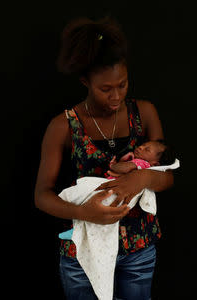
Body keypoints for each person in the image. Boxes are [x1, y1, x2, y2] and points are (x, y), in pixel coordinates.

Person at [34, 15, 175, 300]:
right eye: (105, 89)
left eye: (122, 85)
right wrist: (84, 212)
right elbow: (41, 195)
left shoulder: (144, 113)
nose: (116, 97)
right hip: (82, 255)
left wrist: (143, 176)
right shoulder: (62, 126)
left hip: (138, 249)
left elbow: (167, 176)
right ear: (85, 81)